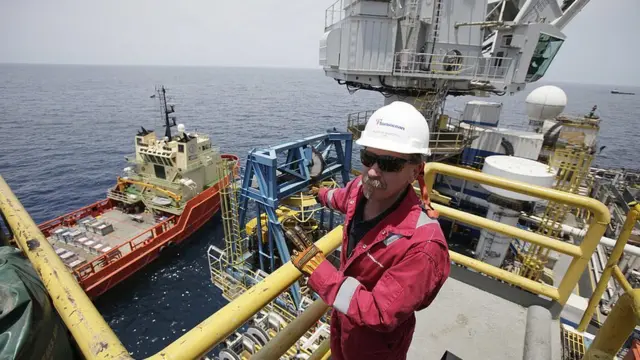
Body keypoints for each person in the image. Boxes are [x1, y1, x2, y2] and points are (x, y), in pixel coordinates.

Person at [286, 101, 451, 360]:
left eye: (389, 164)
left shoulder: (422, 246)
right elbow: (342, 197)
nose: (373, 171)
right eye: (368, 158)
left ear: (415, 171)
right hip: (343, 328)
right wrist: (320, 195)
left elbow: (380, 312)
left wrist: (320, 272)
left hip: (376, 348)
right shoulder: (360, 190)